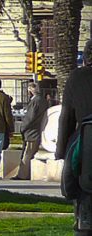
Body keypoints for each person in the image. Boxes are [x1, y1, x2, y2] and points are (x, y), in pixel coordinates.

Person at [54, 64, 92, 235]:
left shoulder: (77, 77)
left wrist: (61, 151)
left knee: (85, 209)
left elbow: (66, 117)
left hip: (86, 148)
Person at [16, 82, 50, 181]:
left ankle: (22, 175)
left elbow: (30, 118)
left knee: (27, 153)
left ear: (31, 90)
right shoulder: (42, 100)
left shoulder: (36, 101)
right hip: (36, 130)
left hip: (31, 132)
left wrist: (22, 128)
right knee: (30, 152)